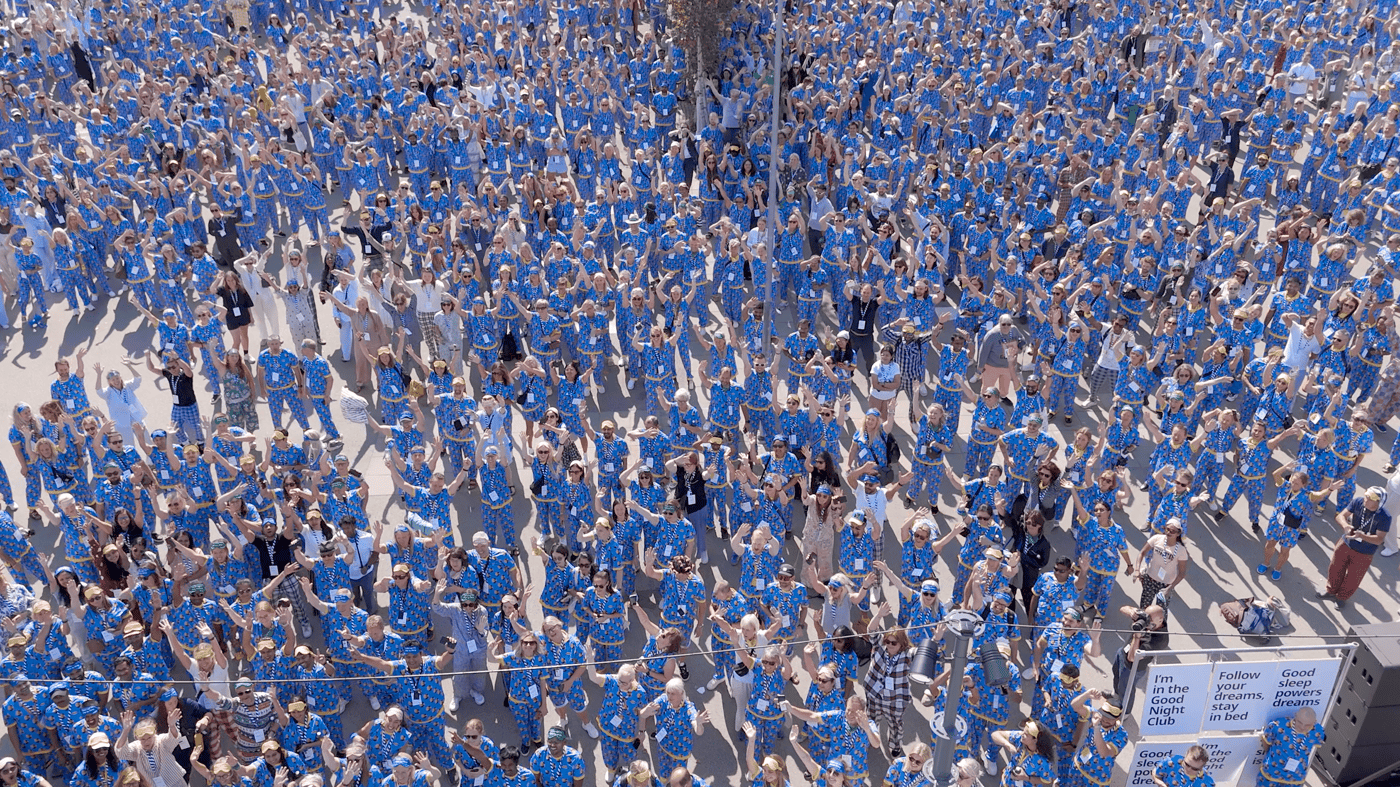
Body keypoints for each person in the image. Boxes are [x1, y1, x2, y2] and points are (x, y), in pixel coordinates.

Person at [1316, 486, 1392, 609]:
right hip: (1346, 543)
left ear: (1379, 502)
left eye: (1371, 498)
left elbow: (1379, 539)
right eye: (1366, 494)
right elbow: (1341, 516)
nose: (1366, 499)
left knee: (1353, 578)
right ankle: (1330, 591)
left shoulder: (1385, 517)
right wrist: (1345, 525)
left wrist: (1362, 536)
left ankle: (1341, 598)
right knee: (1335, 568)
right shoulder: (1358, 502)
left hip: (1364, 552)